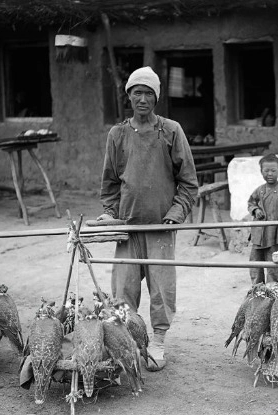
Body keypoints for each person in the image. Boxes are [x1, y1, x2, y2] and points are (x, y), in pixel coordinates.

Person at [98, 66, 198, 371]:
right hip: (128, 230)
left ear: (156, 98)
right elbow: (110, 184)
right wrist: (110, 215)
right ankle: (127, 341)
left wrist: (175, 213)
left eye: (148, 93)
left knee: (161, 288)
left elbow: (189, 182)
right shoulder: (117, 134)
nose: (142, 98)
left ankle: (157, 342)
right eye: (136, 92)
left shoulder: (171, 130)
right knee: (123, 289)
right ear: (128, 96)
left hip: (160, 228)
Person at [247, 153, 278, 285]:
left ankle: (273, 286)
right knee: (255, 262)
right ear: (261, 172)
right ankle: (257, 288)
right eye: (266, 170)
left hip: (274, 234)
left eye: (273, 170)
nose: (270, 174)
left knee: (273, 261)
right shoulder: (259, 190)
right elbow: (251, 203)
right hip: (258, 234)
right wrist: (256, 210)